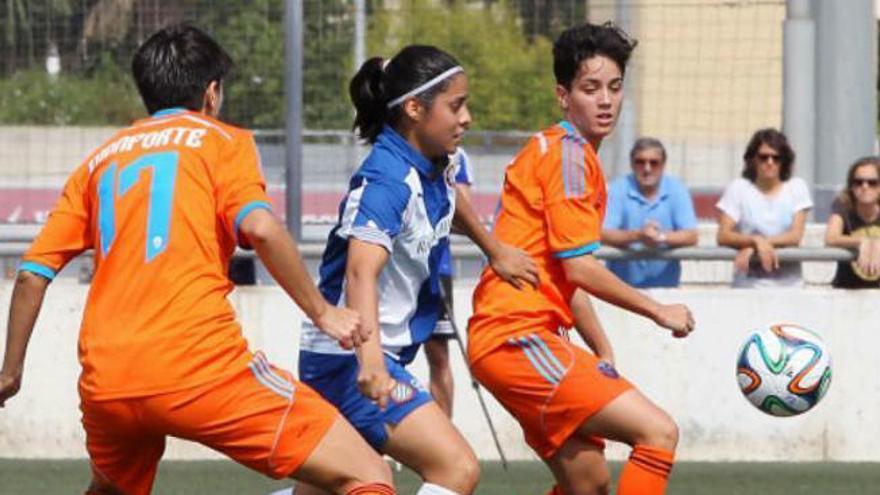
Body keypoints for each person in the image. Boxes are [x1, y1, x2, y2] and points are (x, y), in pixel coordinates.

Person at [0, 24, 396, 495]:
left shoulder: (98, 160)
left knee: (110, 491)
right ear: (211, 93)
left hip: (109, 379)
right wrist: (323, 312)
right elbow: (262, 228)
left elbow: (31, 274)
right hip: (200, 368)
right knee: (369, 474)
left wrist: (10, 372)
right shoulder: (222, 141)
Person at [296, 46, 538, 495]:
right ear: (414, 109)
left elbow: (450, 201)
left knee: (339, 487)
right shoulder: (388, 180)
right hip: (351, 361)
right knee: (456, 468)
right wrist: (370, 364)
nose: (466, 117)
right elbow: (359, 273)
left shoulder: (431, 163)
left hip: (358, 356)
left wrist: (494, 249)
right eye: (456, 105)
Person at [468, 22, 695, 495]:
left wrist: (602, 349)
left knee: (587, 484)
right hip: (516, 340)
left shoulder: (565, 154)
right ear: (563, 95)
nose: (606, 100)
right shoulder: (570, 156)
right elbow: (580, 268)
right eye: (590, 88)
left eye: (614, 87)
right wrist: (659, 311)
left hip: (515, 339)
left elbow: (560, 276)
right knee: (658, 432)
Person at [716, 128, 813, 288]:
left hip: (789, 287)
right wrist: (755, 240)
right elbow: (723, 235)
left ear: (784, 161)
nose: (770, 162)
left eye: (776, 158)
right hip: (748, 286)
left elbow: (795, 236)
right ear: (753, 159)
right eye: (763, 157)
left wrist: (758, 245)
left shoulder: (796, 187)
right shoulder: (738, 188)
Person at [602, 137, 698, 287]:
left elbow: (691, 235)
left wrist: (659, 237)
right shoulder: (617, 188)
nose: (647, 168)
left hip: (665, 291)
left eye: (654, 163)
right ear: (632, 164)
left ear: (663, 165)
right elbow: (603, 233)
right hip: (621, 292)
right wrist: (638, 236)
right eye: (640, 162)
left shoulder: (677, 189)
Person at [424, 147, 473, 417]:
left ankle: (443, 436)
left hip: (436, 270)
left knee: (439, 357)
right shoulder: (388, 148)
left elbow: (465, 219)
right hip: (393, 273)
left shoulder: (456, 156)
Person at [824, 156, 880, 288]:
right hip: (846, 290)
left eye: (872, 183)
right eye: (858, 182)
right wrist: (863, 241)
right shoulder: (843, 205)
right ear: (851, 186)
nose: (865, 187)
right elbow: (830, 238)